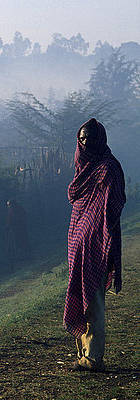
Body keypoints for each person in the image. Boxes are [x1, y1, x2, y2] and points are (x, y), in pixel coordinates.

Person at [64, 118, 126, 372]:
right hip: (78, 248)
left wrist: (93, 233)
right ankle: (83, 354)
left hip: (98, 245)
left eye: (90, 136)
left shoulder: (108, 168)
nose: (86, 141)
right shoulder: (83, 172)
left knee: (94, 302)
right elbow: (81, 209)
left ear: (101, 138)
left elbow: (112, 207)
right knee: (81, 298)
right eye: (82, 137)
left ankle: (93, 358)